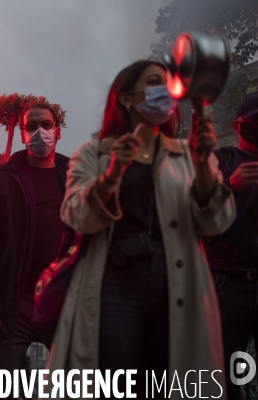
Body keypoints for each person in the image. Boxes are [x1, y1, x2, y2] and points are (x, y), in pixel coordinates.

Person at [46, 60, 236, 397]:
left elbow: (217, 221)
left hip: (175, 283)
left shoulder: (188, 155)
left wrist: (203, 162)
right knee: (116, 384)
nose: (166, 92)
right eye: (153, 83)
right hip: (113, 285)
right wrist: (112, 174)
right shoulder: (93, 153)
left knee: (169, 382)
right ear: (128, 97)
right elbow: (76, 216)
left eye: (168, 85)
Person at [0, 103, 69, 398]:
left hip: (64, 299)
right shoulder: (1, 178)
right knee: (1, 389)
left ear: (58, 131)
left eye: (47, 124)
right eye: (32, 126)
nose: (41, 131)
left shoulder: (75, 174)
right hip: (15, 300)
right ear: (22, 135)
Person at [204, 91, 258, 400]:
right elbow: (195, 218)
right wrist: (230, 187)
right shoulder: (218, 164)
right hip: (226, 285)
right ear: (238, 127)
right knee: (223, 377)